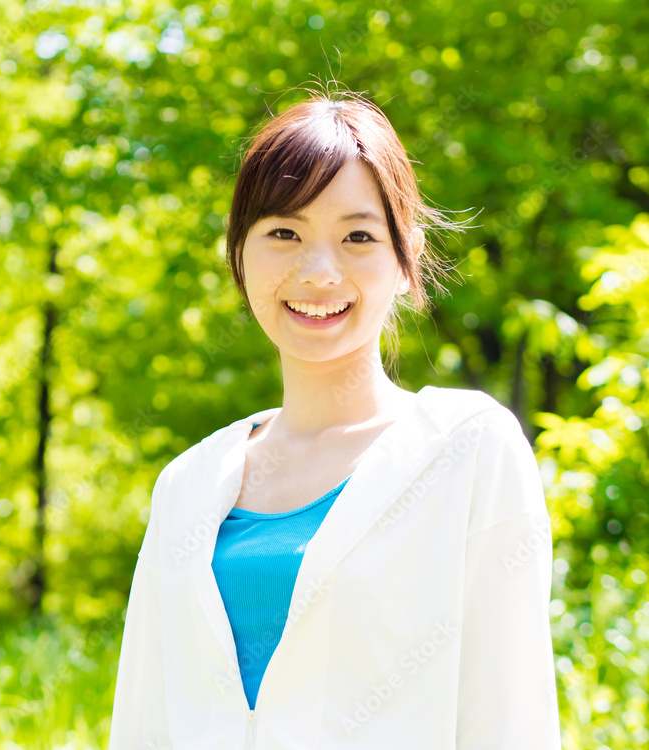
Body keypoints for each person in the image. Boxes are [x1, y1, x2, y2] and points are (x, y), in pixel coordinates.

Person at [107, 85, 562, 749]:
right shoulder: (187, 483)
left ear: (406, 258)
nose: (319, 271)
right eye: (285, 233)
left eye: (357, 236)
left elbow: (510, 720)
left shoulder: (466, 450)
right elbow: (144, 725)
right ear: (238, 252)